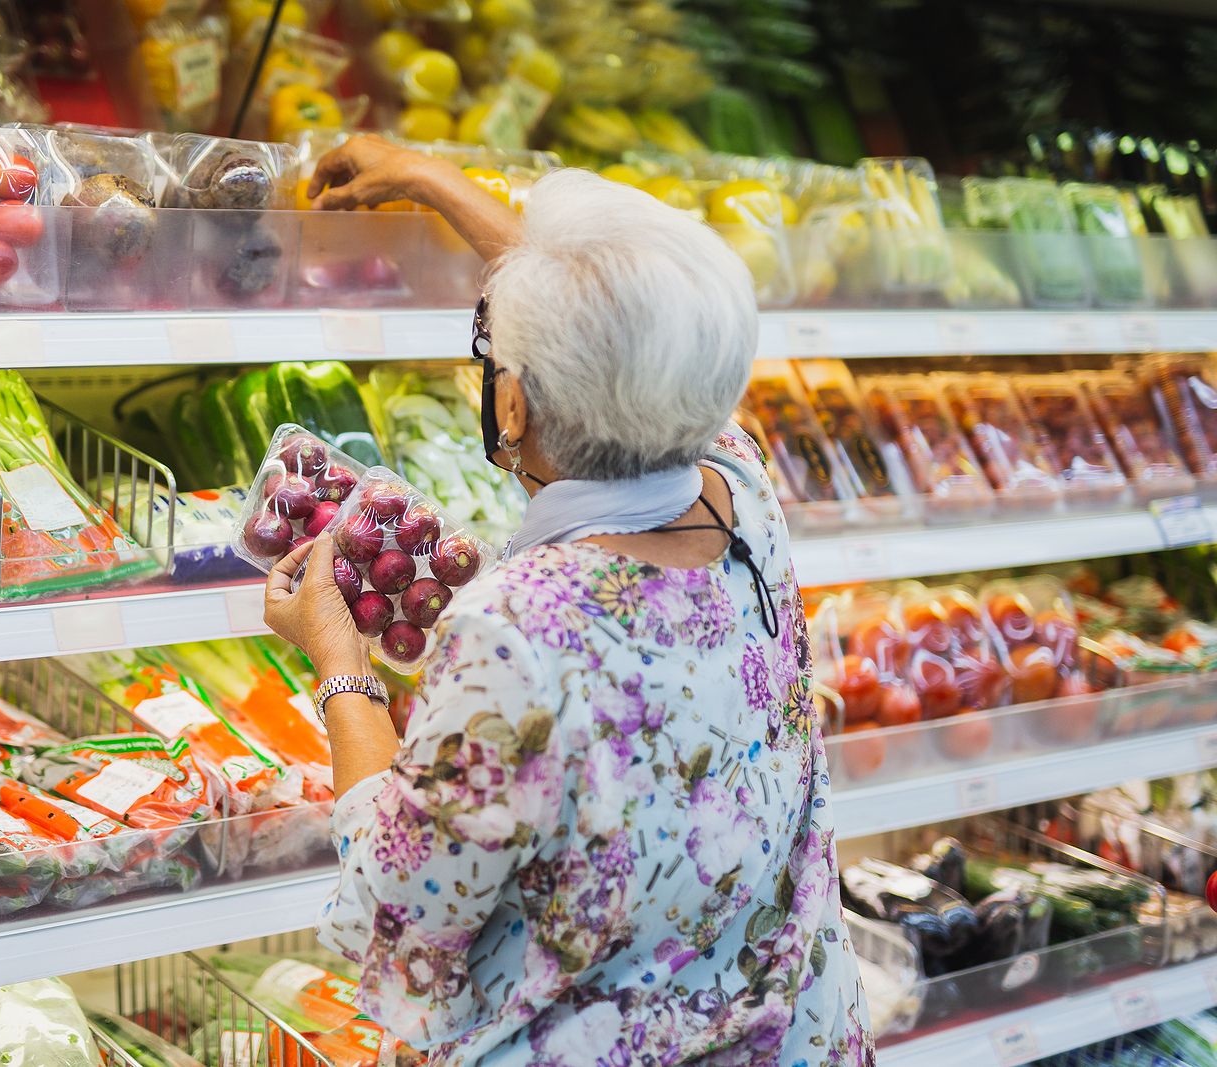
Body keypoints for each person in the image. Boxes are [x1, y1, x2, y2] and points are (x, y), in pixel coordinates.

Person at [263, 135, 875, 1067]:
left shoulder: (513, 630)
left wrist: (339, 661)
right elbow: (633, 327)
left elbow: (398, 903)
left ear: (512, 404)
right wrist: (433, 183)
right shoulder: (739, 477)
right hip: (797, 1034)